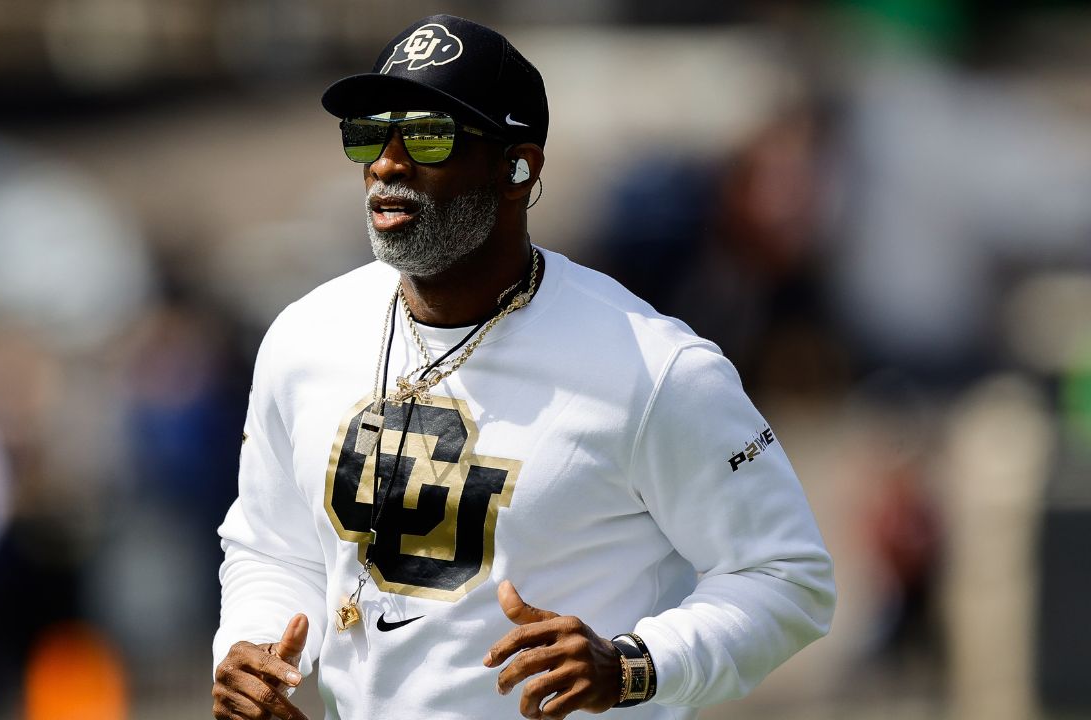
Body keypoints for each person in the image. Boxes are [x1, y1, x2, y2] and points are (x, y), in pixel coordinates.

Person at [211, 14, 834, 720]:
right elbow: (272, 545)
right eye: (368, 132)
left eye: (428, 134)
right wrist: (254, 649)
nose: (387, 162)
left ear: (519, 168)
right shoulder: (305, 338)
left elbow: (788, 577)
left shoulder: (653, 368)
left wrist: (634, 664)